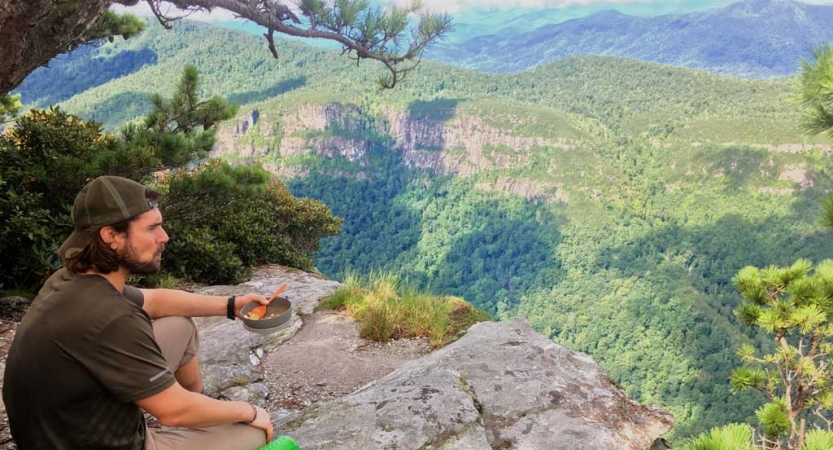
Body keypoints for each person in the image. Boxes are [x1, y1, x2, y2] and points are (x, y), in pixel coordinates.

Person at [3, 176, 273, 450]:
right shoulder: (113, 318)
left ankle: (201, 412)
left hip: (61, 427)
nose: (164, 236)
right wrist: (249, 411)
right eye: (152, 228)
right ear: (111, 236)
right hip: (95, 443)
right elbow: (173, 411)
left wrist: (231, 305)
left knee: (179, 326)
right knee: (254, 435)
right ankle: (199, 416)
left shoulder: (73, 279)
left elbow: (155, 301)